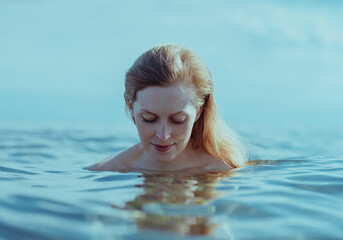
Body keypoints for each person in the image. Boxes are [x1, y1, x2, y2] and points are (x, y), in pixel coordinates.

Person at [89, 44, 246, 172]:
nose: (163, 136)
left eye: (178, 120)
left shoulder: (223, 170)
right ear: (132, 109)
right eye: (149, 119)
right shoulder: (107, 171)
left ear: (199, 112)